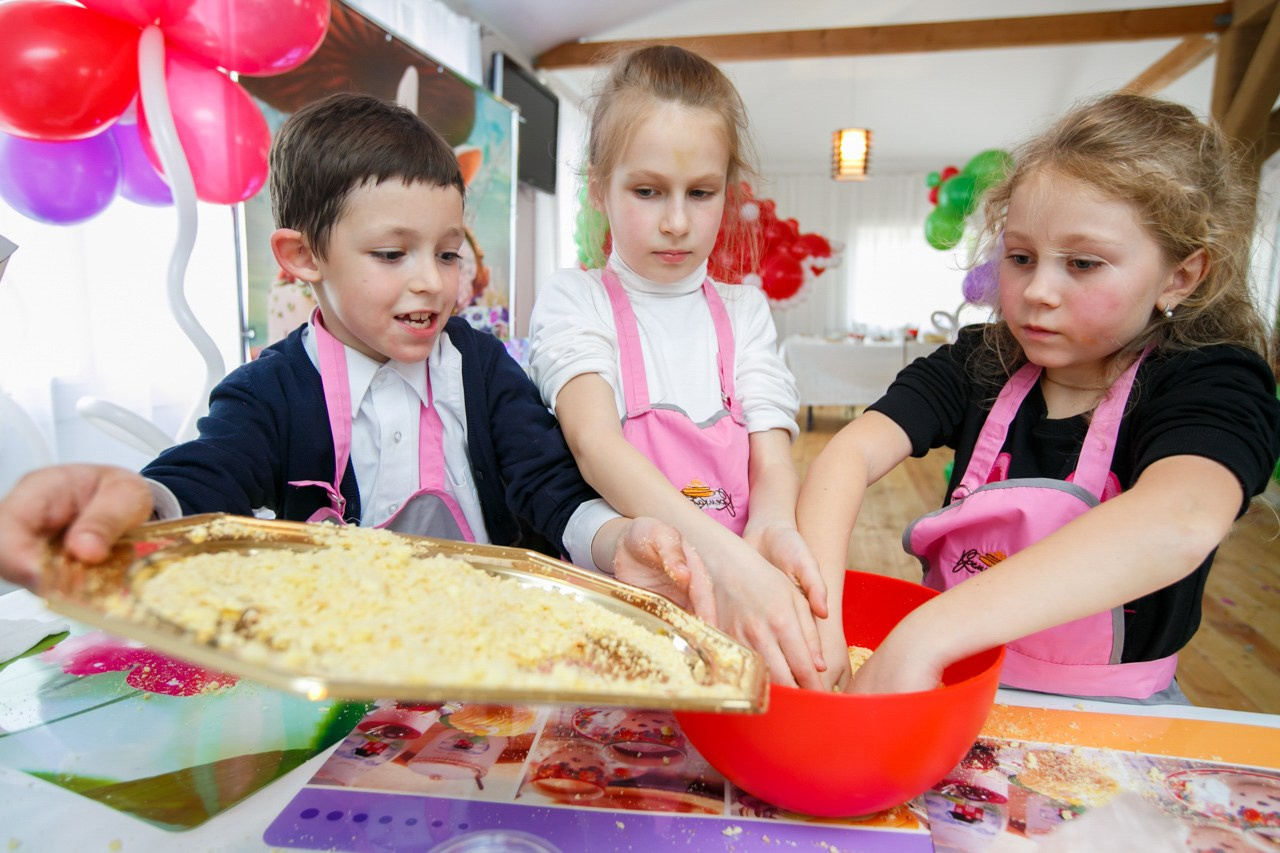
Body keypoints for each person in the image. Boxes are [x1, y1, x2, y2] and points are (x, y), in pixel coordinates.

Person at [0, 92, 715, 620]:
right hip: (341, 664)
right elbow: (210, 470)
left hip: (493, 641)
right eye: (390, 253)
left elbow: (550, 490)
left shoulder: (484, 369)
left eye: (447, 250)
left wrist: (619, 537)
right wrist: (147, 502)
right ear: (303, 255)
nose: (432, 279)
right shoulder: (270, 393)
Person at [798, 92, 1280, 700]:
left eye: (1082, 263)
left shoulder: (1210, 380)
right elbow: (848, 457)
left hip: (1111, 709)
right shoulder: (979, 361)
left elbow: (1179, 520)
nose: (1037, 291)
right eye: (1020, 257)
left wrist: (929, 632)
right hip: (950, 683)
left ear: (1179, 277)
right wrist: (818, 620)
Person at [527, 45, 827, 688]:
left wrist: (771, 529)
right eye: (647, 191)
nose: (676, 222)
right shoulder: (575, 300)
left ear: (728, 191)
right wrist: (730, 565)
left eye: (700, 193)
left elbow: (771, 460)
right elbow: (595, 443)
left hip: (729, 617)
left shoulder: (745, 311)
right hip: (613, 615)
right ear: (598, 190)